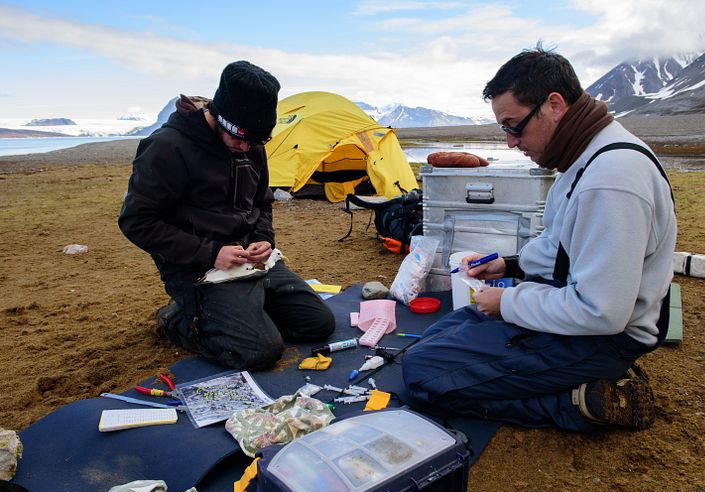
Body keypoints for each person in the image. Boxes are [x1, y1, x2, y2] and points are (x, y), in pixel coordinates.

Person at [402, 48, 676, 432]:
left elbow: (603, 312)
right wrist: (508, 266)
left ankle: (576, 403)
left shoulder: (612, 179)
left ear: (554, 105)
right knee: (443, 332)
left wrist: (510, 300)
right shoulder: (582, 155)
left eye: (514, 126)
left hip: (603, 339)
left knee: (423, 372)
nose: (512, 142)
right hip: (570, 310)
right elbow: (563, 246)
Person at [118, 61, 335, 370]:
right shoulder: (168, 147)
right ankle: (178, 319)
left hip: (250, 260)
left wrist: (263, 238)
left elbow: (261, 203)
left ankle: (244, 312)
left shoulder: (251, 144)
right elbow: (136, 221)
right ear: (219, 118)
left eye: (256, 142)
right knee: (260, 351)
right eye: (240, 138)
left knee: (318, 323)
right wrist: (210, 253)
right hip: (196, 268)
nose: (246, 147)